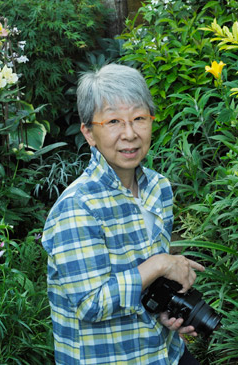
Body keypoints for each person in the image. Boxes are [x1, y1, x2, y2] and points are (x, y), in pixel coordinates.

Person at [42, 63, 205, 365]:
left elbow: (147, 286)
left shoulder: (158, 188)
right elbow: (92, 304)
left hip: (165, 353)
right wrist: (160, 264)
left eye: (139, 118)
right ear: (89, 133)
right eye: (113, 121)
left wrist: (165, 310)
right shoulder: (77, 208)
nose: (130, 134)